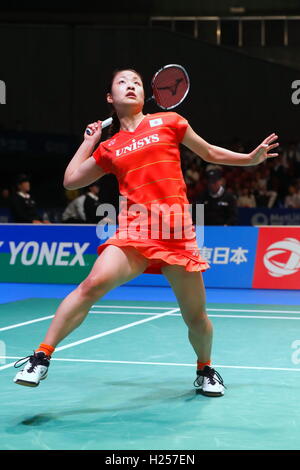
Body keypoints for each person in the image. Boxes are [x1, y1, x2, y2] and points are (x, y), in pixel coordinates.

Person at [13, 68, 279, 397]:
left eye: (137, 83)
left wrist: (250, 159)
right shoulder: (111, 147)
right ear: (111, 98)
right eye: (123, 82)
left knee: (196, 317)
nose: (131, 86)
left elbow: (209, 152)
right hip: (135, 232)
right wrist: (88, 143)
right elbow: (71, 180)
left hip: (177, 233)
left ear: (144, 94)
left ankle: (205, 368)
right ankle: (41, 356)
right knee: (91, 285)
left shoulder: (170, 122)